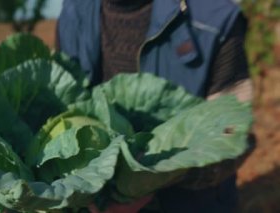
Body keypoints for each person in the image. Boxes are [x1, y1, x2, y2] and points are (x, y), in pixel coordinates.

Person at [56, 0, 254, 212]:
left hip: (189, 203)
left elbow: (233, 135)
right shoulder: (73, 13)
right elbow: (61, 104)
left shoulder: (214, 20)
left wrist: (144, 185)